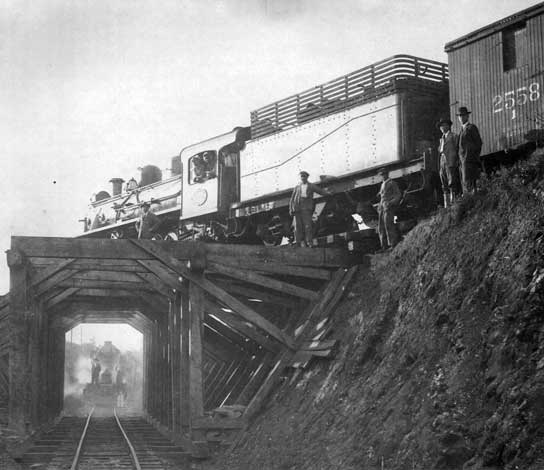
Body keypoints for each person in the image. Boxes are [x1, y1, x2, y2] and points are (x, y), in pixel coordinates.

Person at [289, 171, 332, 247]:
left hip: (306, 207)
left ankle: (309, 242)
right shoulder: (297, 187)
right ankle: (297, 243)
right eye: (301, 176)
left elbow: (320, 191)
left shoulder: (311, 186)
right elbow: (292, 199)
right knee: (297, 227)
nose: (302, 178)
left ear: (307, 177)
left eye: (304, 176)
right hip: (297, 208)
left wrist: (328, 193)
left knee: (307, 226)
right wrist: (291, 209)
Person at [457, 106, 483, 194]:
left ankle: (475, 199)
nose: (461, 118)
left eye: (463, 115)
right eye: (460, 116)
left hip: (471, 160)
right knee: (466, 183)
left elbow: (478, 143)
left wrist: (473, 156)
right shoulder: (461, 131)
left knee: (473, 183)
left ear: (467, 116)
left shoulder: (471, 128)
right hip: (463, 162)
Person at [376, 167, 402, 250]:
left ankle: (392, 244)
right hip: (382, 208)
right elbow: (382, 197)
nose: (383, 176)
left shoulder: (392, 183)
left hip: (388, 207)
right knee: (381, 227)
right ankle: (383, 246)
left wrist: (391, 203)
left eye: (384, 174)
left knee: (389, 225)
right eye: (381, 175)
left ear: (387, 174)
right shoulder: (382, 184)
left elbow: (398, 195)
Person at [437, 118, 460, 207]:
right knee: (444, 182)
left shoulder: (454, 136)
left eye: (444, 125)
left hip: (451, 162)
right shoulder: (441, 139)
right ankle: (447, 205)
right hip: (442, 163)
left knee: (452, 182)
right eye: (441, 126)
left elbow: (458, 148)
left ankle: (453, 202)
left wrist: (456, 160)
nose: (442, 128)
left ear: (448, 126)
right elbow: (440, 151)